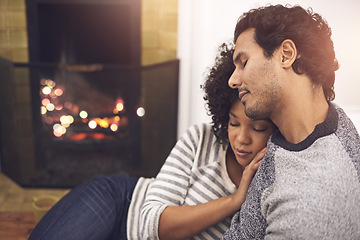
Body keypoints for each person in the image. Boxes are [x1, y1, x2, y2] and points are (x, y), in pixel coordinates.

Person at [28, 43, 276, 240]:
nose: (241, 139)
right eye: (233, 123)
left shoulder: (271, 184)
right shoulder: (203, 138)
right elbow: (152, 225)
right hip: (121, 205)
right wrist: (234, 201)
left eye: (258, 128)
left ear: (275, 127)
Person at [222, 4, 360, 239]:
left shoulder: (316, 200)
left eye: (243, 62)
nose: (233, 81)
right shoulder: (294, 133)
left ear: (286, 54)